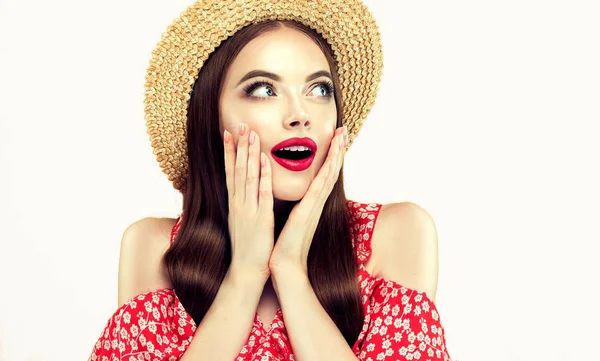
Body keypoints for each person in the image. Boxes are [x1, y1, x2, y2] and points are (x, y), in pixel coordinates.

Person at [88, 1, 451, 360]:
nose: (300, 115)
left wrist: (290, 271)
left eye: (320, 89)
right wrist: (243, 276)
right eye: (264, 90)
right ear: (210, 118)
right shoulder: (153, 248)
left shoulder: (399, 234)